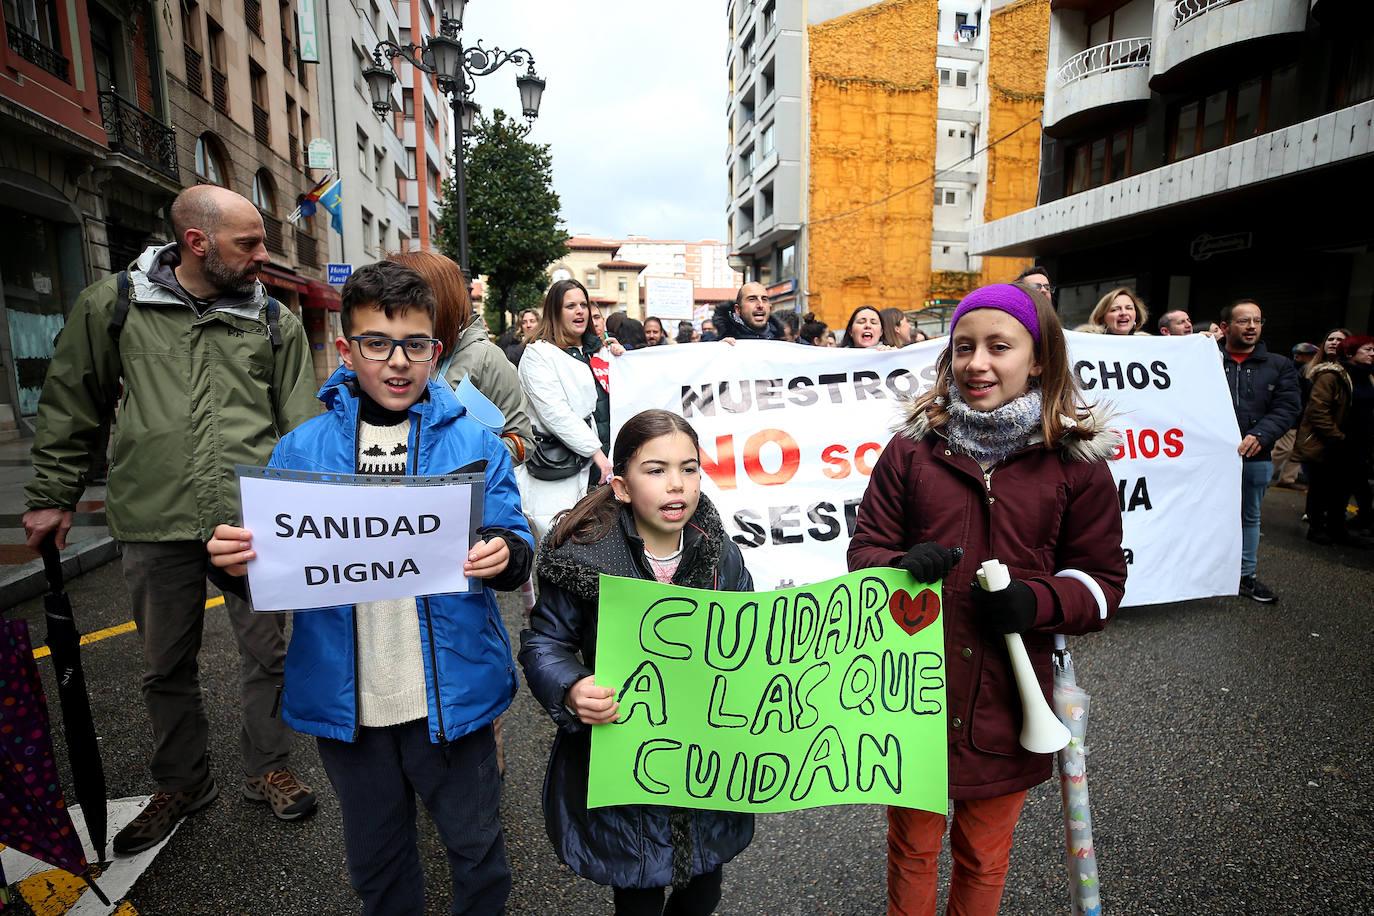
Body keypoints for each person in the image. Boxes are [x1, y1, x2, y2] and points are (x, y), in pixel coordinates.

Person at [207, 260, 532, 915]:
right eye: (376, 344)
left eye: (415, 345)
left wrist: (507, 553)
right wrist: (231, 566)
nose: (397, 362)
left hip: (453, 701)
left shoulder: (476, 442)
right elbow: (270, 569)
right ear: (348, 349)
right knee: (378, 865)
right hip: (349, 710)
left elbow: (514, 541)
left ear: (435, 351)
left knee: (476, 854)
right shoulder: (301, 449)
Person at [21, 186, 320, 852]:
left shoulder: (274, 320)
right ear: (196, 243)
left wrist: (312, 516)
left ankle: (267, 766)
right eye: (248, 244)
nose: (262, 256)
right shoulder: (115, 305)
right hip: (155, 516)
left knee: (269, 655)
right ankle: (183, 781)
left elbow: (302, 428)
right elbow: (73, 401)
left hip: (254, 522)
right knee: (164, 665)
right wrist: (53, 492)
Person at [847, 282, 1126, 915]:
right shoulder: (910, 451)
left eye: (1000, 347)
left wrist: (1038, 601)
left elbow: (1103, 585)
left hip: (1009, 702)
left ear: (1039, 359)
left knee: (983, 855)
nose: (978, 363)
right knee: (912, 849)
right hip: (915, 694)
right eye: (965, 347)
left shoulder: (1076, 464)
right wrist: (898, 568)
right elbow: (865, 553)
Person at [519, 409, 755, 916]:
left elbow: (749, 639)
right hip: (626, 769)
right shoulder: (585, 557)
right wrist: (572, 688)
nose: (676, 484)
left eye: (689, 468)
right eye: (656, 470)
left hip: (705, 767)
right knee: (639, 894)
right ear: (622, 487)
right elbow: (545, 643)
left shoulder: (721, 557)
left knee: (702, 892)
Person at [388, 250, 532, 466]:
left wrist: (461, 460)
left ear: (437, 301)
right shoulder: (383, 354)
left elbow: (521, 443)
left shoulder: (486, 358)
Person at [1218, 299, 1302, 602]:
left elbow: (1288, 407)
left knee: (1249, 517)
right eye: (1243, 321)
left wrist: (1261, 434)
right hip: (1210, 461)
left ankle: (1245, 576)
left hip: (1256, 457)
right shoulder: (1206, 360)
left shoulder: (1279, 365)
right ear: (1226, 327)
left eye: (1257, 320)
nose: (1252, 326)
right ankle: (1201, 576)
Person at [518, 279, 614, 541]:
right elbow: (554, 412)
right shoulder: (538, 354)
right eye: (570, 306)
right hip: (560, 466)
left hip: (599, 468)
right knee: (558, 539)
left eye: (583, 304)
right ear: (555, 312)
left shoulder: (596, 353)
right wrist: (596, 452)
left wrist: (618, 356)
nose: (580, 311)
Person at [1271, 342, 1321, 489]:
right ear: (1299, 356)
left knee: (1297, 450)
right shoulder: (1293, 370)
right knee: (1283, 448)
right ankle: (1266, 475)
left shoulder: (1310, 371)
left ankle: (1288, 478)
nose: (1312, 358)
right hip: (1292, 417)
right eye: (1310, 355)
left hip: (1302, 417)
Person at [713, 281, 787, 341]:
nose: (760, 305)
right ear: (738, 309)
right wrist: (721, 350)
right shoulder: (724, 343)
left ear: (770, 308)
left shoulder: (782, 339)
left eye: (764, 299)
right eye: (752, 299)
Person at [1078, 287, 1150, 335]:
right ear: (1102, 318)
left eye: (1129, 308)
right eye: (1115, 309)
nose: (1123, 313)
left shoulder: (1148, 343)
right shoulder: (1086, 341)